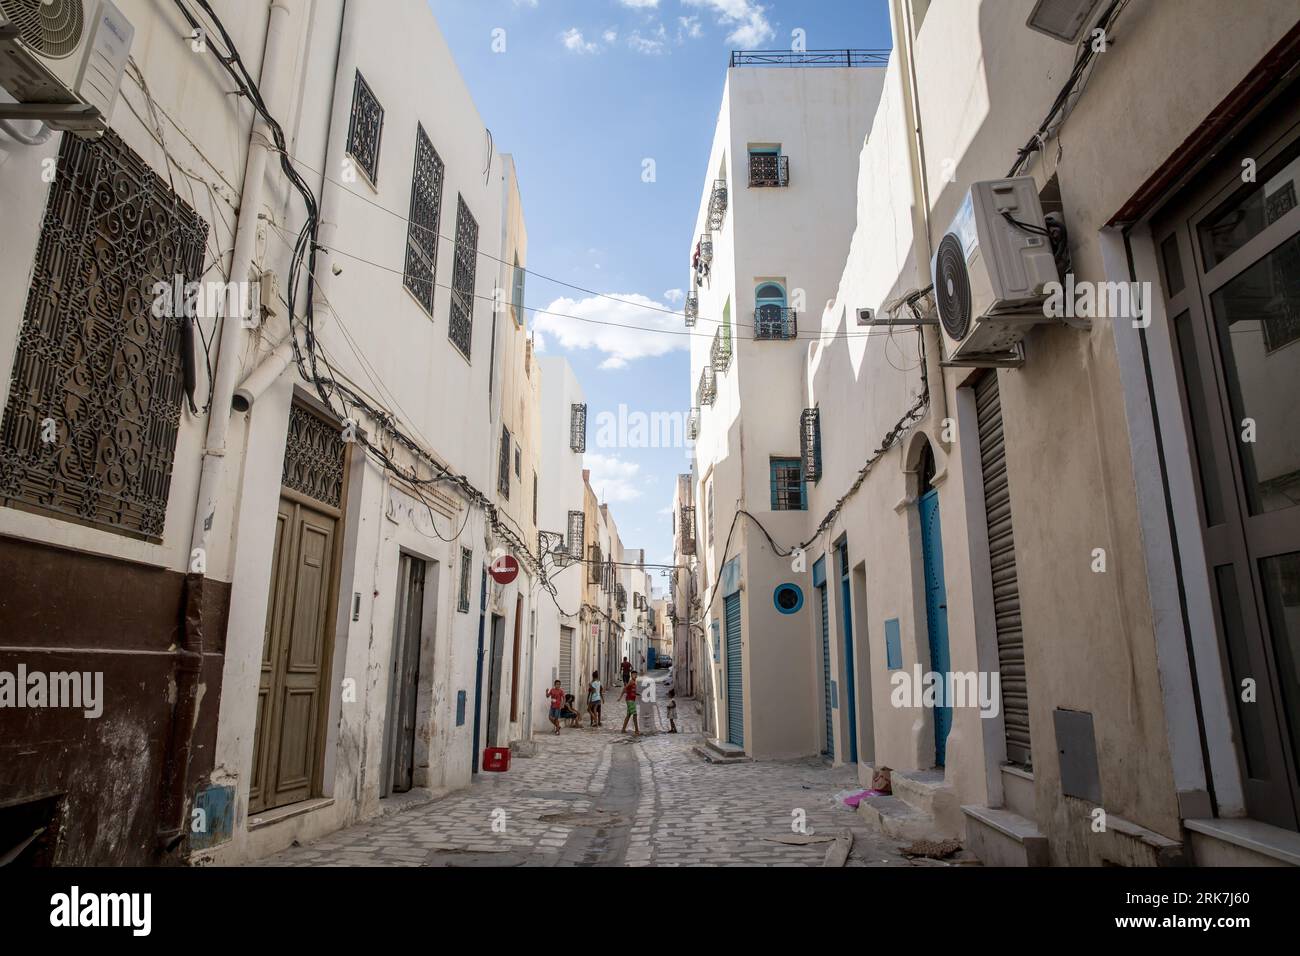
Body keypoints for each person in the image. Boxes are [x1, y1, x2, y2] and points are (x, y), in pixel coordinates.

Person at [621, 671, 640, 736]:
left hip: (631, 699)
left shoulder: (634, 682)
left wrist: (637, 694)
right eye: (634, 675)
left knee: (628, 715)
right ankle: (637, 730)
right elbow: (625, 688)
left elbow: (630, 690)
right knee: (635, 715)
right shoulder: (631, 681)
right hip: (630, 700)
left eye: (636, 675)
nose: (635, 676)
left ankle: (623, 729)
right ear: (631, 675)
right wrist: (620, 697)